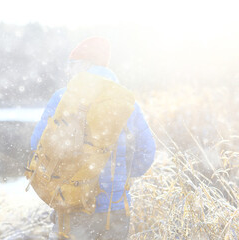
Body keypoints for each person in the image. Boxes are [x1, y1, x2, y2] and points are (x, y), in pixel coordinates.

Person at [30, 37, 156, 240]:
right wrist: (122, 177)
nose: (68, 71)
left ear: (85, 65)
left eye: (71, 64)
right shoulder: (127, 102)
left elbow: (36, 144)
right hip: (114, 210)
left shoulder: (62, 97)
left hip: (72, 204)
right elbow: (147, 151)